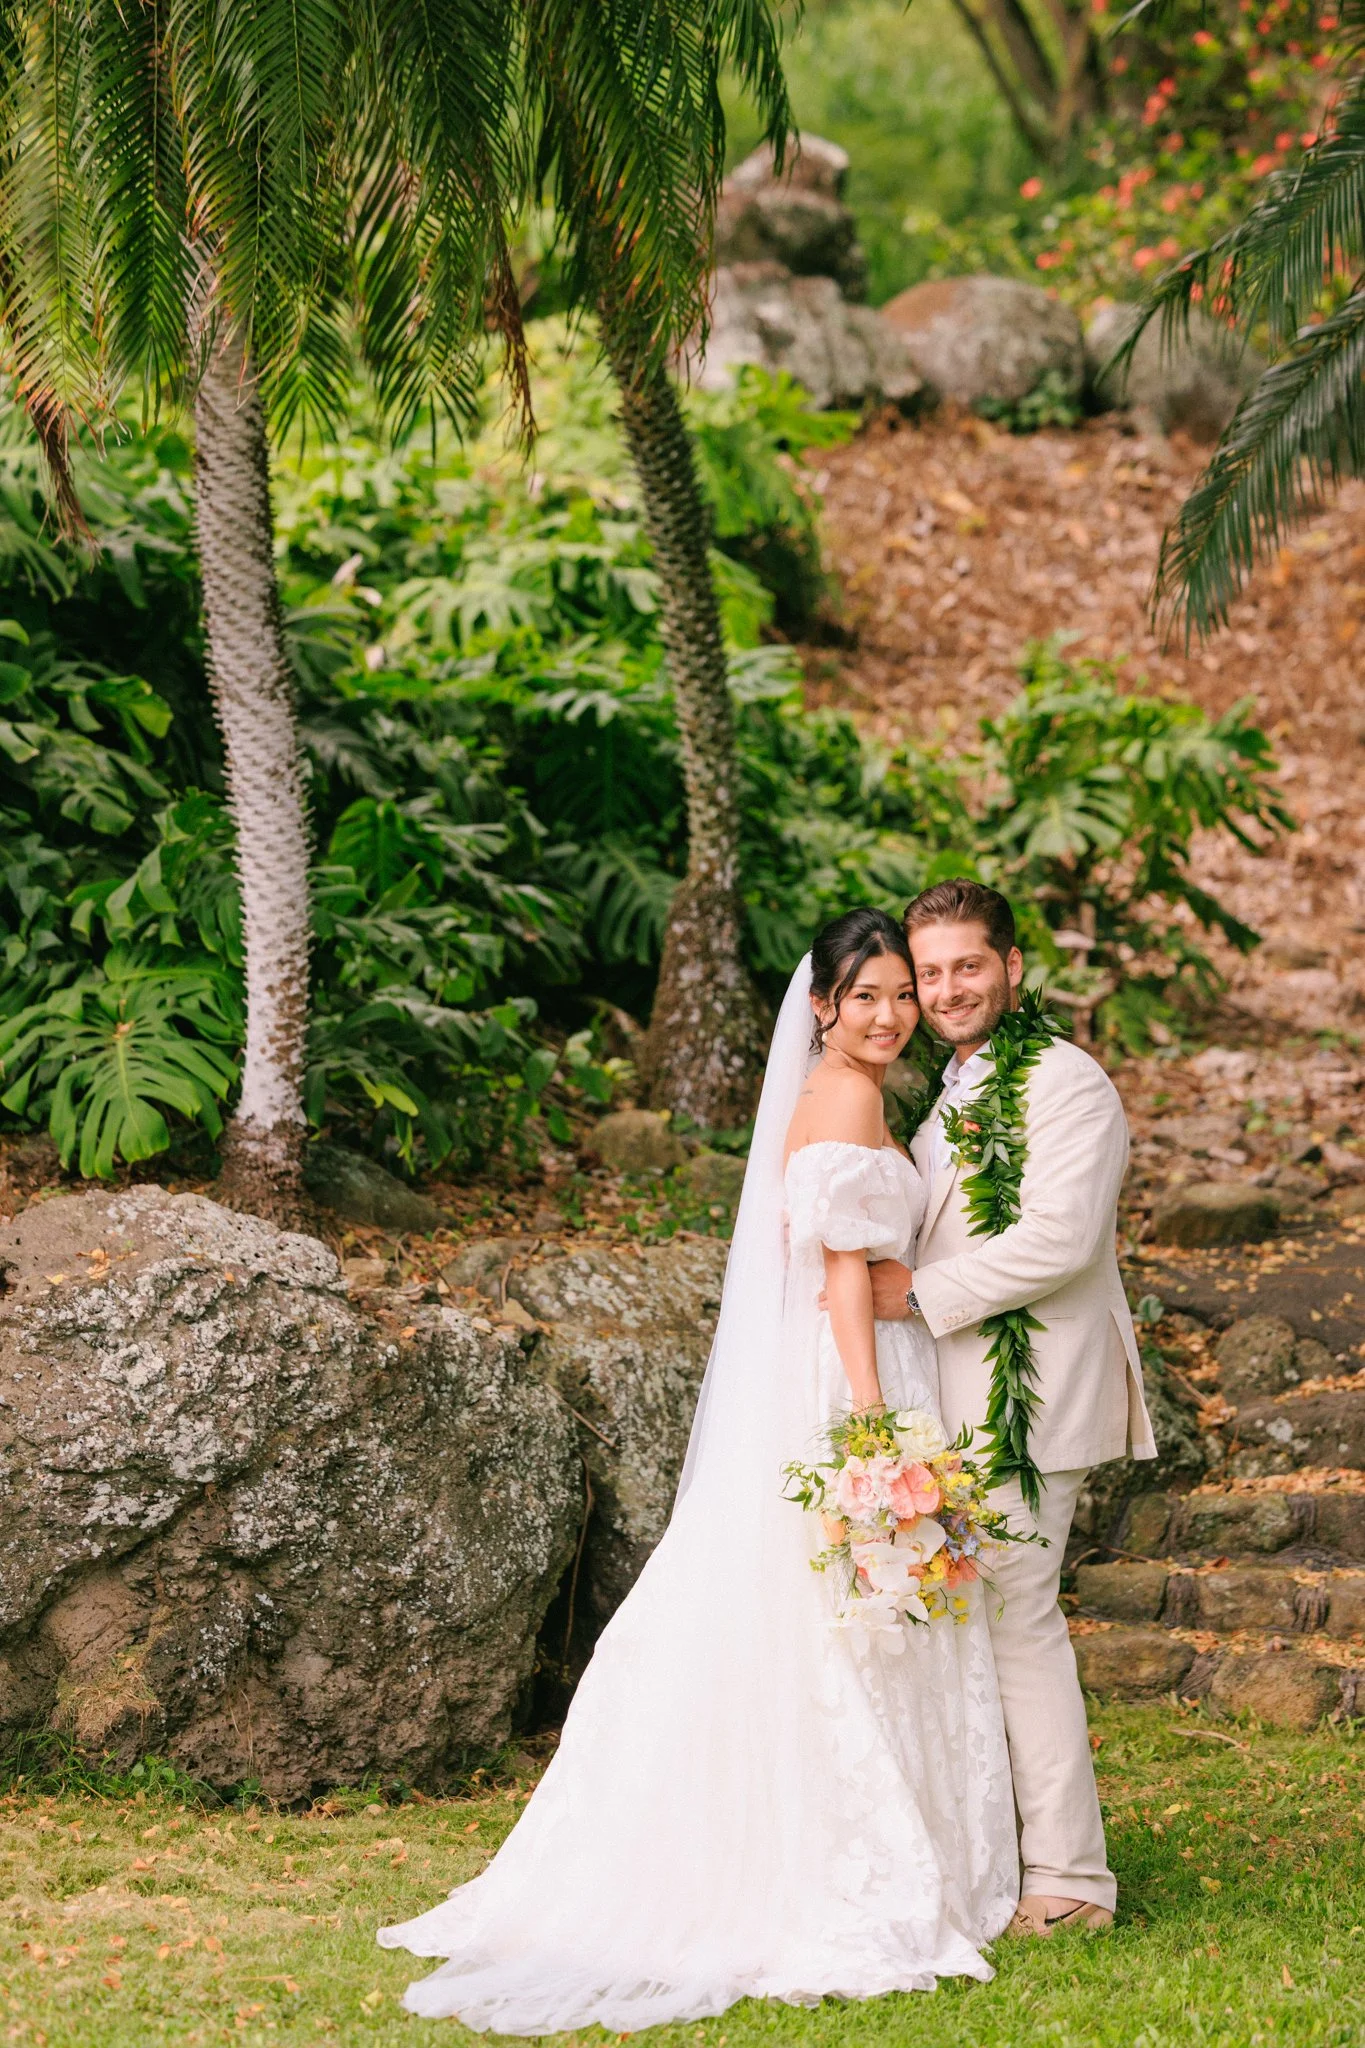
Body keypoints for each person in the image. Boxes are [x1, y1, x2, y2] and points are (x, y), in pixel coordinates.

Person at [377, 907, 1018, 2032]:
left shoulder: (842, 1092)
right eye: (864, 994)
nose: (888, 1012)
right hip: (849, 1370)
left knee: (817, 1605)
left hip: (838, 1363)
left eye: (900, 994)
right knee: (850, 1606)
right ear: (821, 1004)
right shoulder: (853, 1095)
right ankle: (842, 1858)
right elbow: (837, 1275)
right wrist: (871, 1425)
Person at [865, 879, 1156, 1938]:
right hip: (961, 1392)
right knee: (985, 1623)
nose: (946, 988)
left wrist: (918, 1295)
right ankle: (1002, 1854)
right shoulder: (955, 1087)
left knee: (1021, 1622)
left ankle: (1074, 1879)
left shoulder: (1067, 1084)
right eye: (929, 970)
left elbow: (1060, 1239)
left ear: (1013, 966)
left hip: (1032, 1395)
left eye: (966, 965)